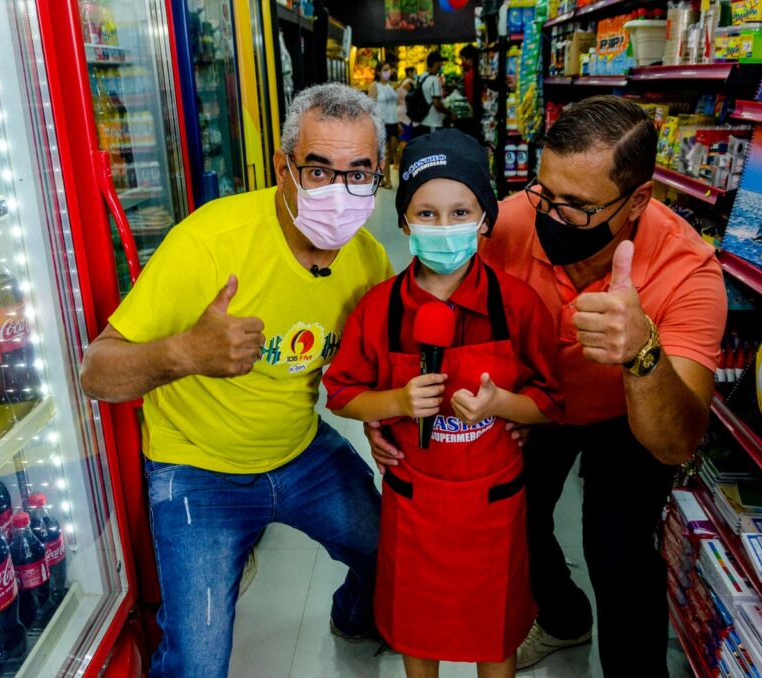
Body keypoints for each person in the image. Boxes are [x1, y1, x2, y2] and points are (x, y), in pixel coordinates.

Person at [367, 96, 726, 675]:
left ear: (638, 200)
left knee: (618, 550)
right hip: (527, 403)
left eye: (577, 207)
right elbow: (418, 313)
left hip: (628, 416)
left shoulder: (687, 270)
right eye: (545, 193)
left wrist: (642, 352)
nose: (552, 216)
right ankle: (561, 617)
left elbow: (675, 443)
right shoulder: (504, 224)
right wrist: (385, 408)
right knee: (516, 522)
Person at [79, 83, 393, 677]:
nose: (340, 193)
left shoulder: (368, 259)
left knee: (395, 559)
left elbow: (366, 370)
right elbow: (96, 372)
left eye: (359, 173)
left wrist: (383, 417)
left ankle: (354, 615)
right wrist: (184, 353)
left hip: (302, 453)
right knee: (196, 666)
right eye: (318, 171)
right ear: (282, 168)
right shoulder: (209, 242)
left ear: (379, 173)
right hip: (197, 468)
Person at [324, 128, 564, 678]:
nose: (444, 226)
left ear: (485, 220)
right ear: (405, 222)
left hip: (494, 506)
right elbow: (341, 394)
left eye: (460, 212)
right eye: (426, 214)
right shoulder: (379, 309)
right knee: (418, 625)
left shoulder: (517, 305)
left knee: (494, 630)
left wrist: (503, 404)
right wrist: (395, 400)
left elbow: (550, 402)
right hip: (415, 505)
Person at [369, 61, 399, 189]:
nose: (388, 72)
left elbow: (395, 105)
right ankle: (388, 180)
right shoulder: (374, 86)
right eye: (385, 70)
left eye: (389, 69)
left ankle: (381, 176)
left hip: (394, 122)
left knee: (393, 150)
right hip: (382, 123)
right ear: (378, 72)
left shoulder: (391, 85)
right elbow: (370, 107)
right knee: (386, 152)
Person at [416, 51, 452, 136]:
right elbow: (437, 104)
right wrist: (449, 113)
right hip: (434, 122)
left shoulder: (421, 77)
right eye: (440, 62)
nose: (441, 65)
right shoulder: (435, 80)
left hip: (423, 121)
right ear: (436, 63)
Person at [455, 44, 484, 140]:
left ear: (469, 59)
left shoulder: (470, 76)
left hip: (477, 114)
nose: (462, 63)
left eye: (463, 59)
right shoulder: (482, 71)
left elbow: (471, 99)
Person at [397, 65, 417, 144]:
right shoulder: (409, 82)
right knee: (406, 138)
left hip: (400, 111)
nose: (416, 74)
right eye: (415, 72)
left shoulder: (401, 81)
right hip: (406, 113)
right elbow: (412, 98)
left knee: (402, 136)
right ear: (409, 72)